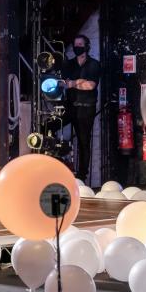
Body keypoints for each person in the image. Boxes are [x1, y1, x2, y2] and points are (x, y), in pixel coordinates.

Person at [62, 34, 100, 181]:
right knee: (49, 126)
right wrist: (79, 81)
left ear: (86, 46)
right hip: (70, 107)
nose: (77, 47)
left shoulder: (94, 64)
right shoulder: (68, 64)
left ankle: (82, 175)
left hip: (86, 108)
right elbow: (65, 83)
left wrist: (73, 82)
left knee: (84, 141)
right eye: (75, 44)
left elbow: (90, 86)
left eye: (80, 44)